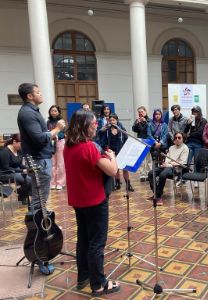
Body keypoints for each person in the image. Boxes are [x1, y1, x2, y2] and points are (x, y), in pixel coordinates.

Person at [64, 109, 120, 296]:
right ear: (84, 125)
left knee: (84, 240)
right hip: (94, 200)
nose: (97, 125)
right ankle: (98, 284)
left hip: (78, 200)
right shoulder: (88, 147)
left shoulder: (69, 145)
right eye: (94, 123)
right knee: (97, 243)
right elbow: (112, 171)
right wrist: (111, 157)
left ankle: (83, 277)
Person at [17, 83, 65, 275]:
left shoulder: (32, 111)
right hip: (38, 162)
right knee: (38, 206)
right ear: (29, 96)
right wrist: (57, 129)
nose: (41, 93)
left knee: (40, 203)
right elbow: (38, 139)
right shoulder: (28, 113)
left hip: (41, 160)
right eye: (38, 92)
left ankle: (40, 251)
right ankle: (40, 253)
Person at [148, 132, 189, 206]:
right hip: (167, 166)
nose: (177, 139)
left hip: (176, 168)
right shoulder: (171, 147)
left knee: (162, 175)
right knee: (151, 173)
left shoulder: (185, 148)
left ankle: (158, 196)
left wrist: (169, 164)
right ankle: (156, 194)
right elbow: (167, 157)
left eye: (179, 138)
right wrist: (166, 163)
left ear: (183, 139)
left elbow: (182, 163)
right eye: (176, 137)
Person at [100, 113, 134, 192]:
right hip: (112, 152)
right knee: (116, 169)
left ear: (117, 120)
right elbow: (104, 141)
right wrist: (107, 150)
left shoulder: (121, 129)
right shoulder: (107, 130)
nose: (112, 121)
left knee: (125, 169)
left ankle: (128, 184)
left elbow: (126, 139)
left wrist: (126, 149)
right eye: (111, 120)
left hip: (122, 150)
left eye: (114, 120)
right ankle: (117, 183)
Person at [0, 134, 31, 204]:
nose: (22, 146)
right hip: (5, 173)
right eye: (21, 144)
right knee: (28, 179)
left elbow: (20, 164)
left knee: (33, 176)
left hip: (15, 172)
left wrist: (28, 168)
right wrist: (22, 170)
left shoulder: (19, 150)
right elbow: (5, 168)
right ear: (14, 142)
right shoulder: (4, 152)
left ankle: (21, 194)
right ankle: (22, 194)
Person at [47, 105, 66, 190]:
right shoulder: (48, 121)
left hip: (60, 142)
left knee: (60, 163)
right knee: (52, 163)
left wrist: (56, 135)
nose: (53, 112)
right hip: (50, 143)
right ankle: (52, 182)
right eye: (52, 111)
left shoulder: (62, 121)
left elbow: (64, 133)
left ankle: (60, 183)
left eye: (55, 111)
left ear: (58, 112)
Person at [132, 106, 151, 181]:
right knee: (142, 160)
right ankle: (143, 175)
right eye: (139, 112)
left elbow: (151, 128)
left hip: (148, 141)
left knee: (149, 159)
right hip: (140, 141)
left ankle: (149, 174)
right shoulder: (137, 120)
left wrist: (145, 122)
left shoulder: (149, 120)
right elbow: (134, 129)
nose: (140, 113)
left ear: (145, 112)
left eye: (142, 111)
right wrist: (137, 123)